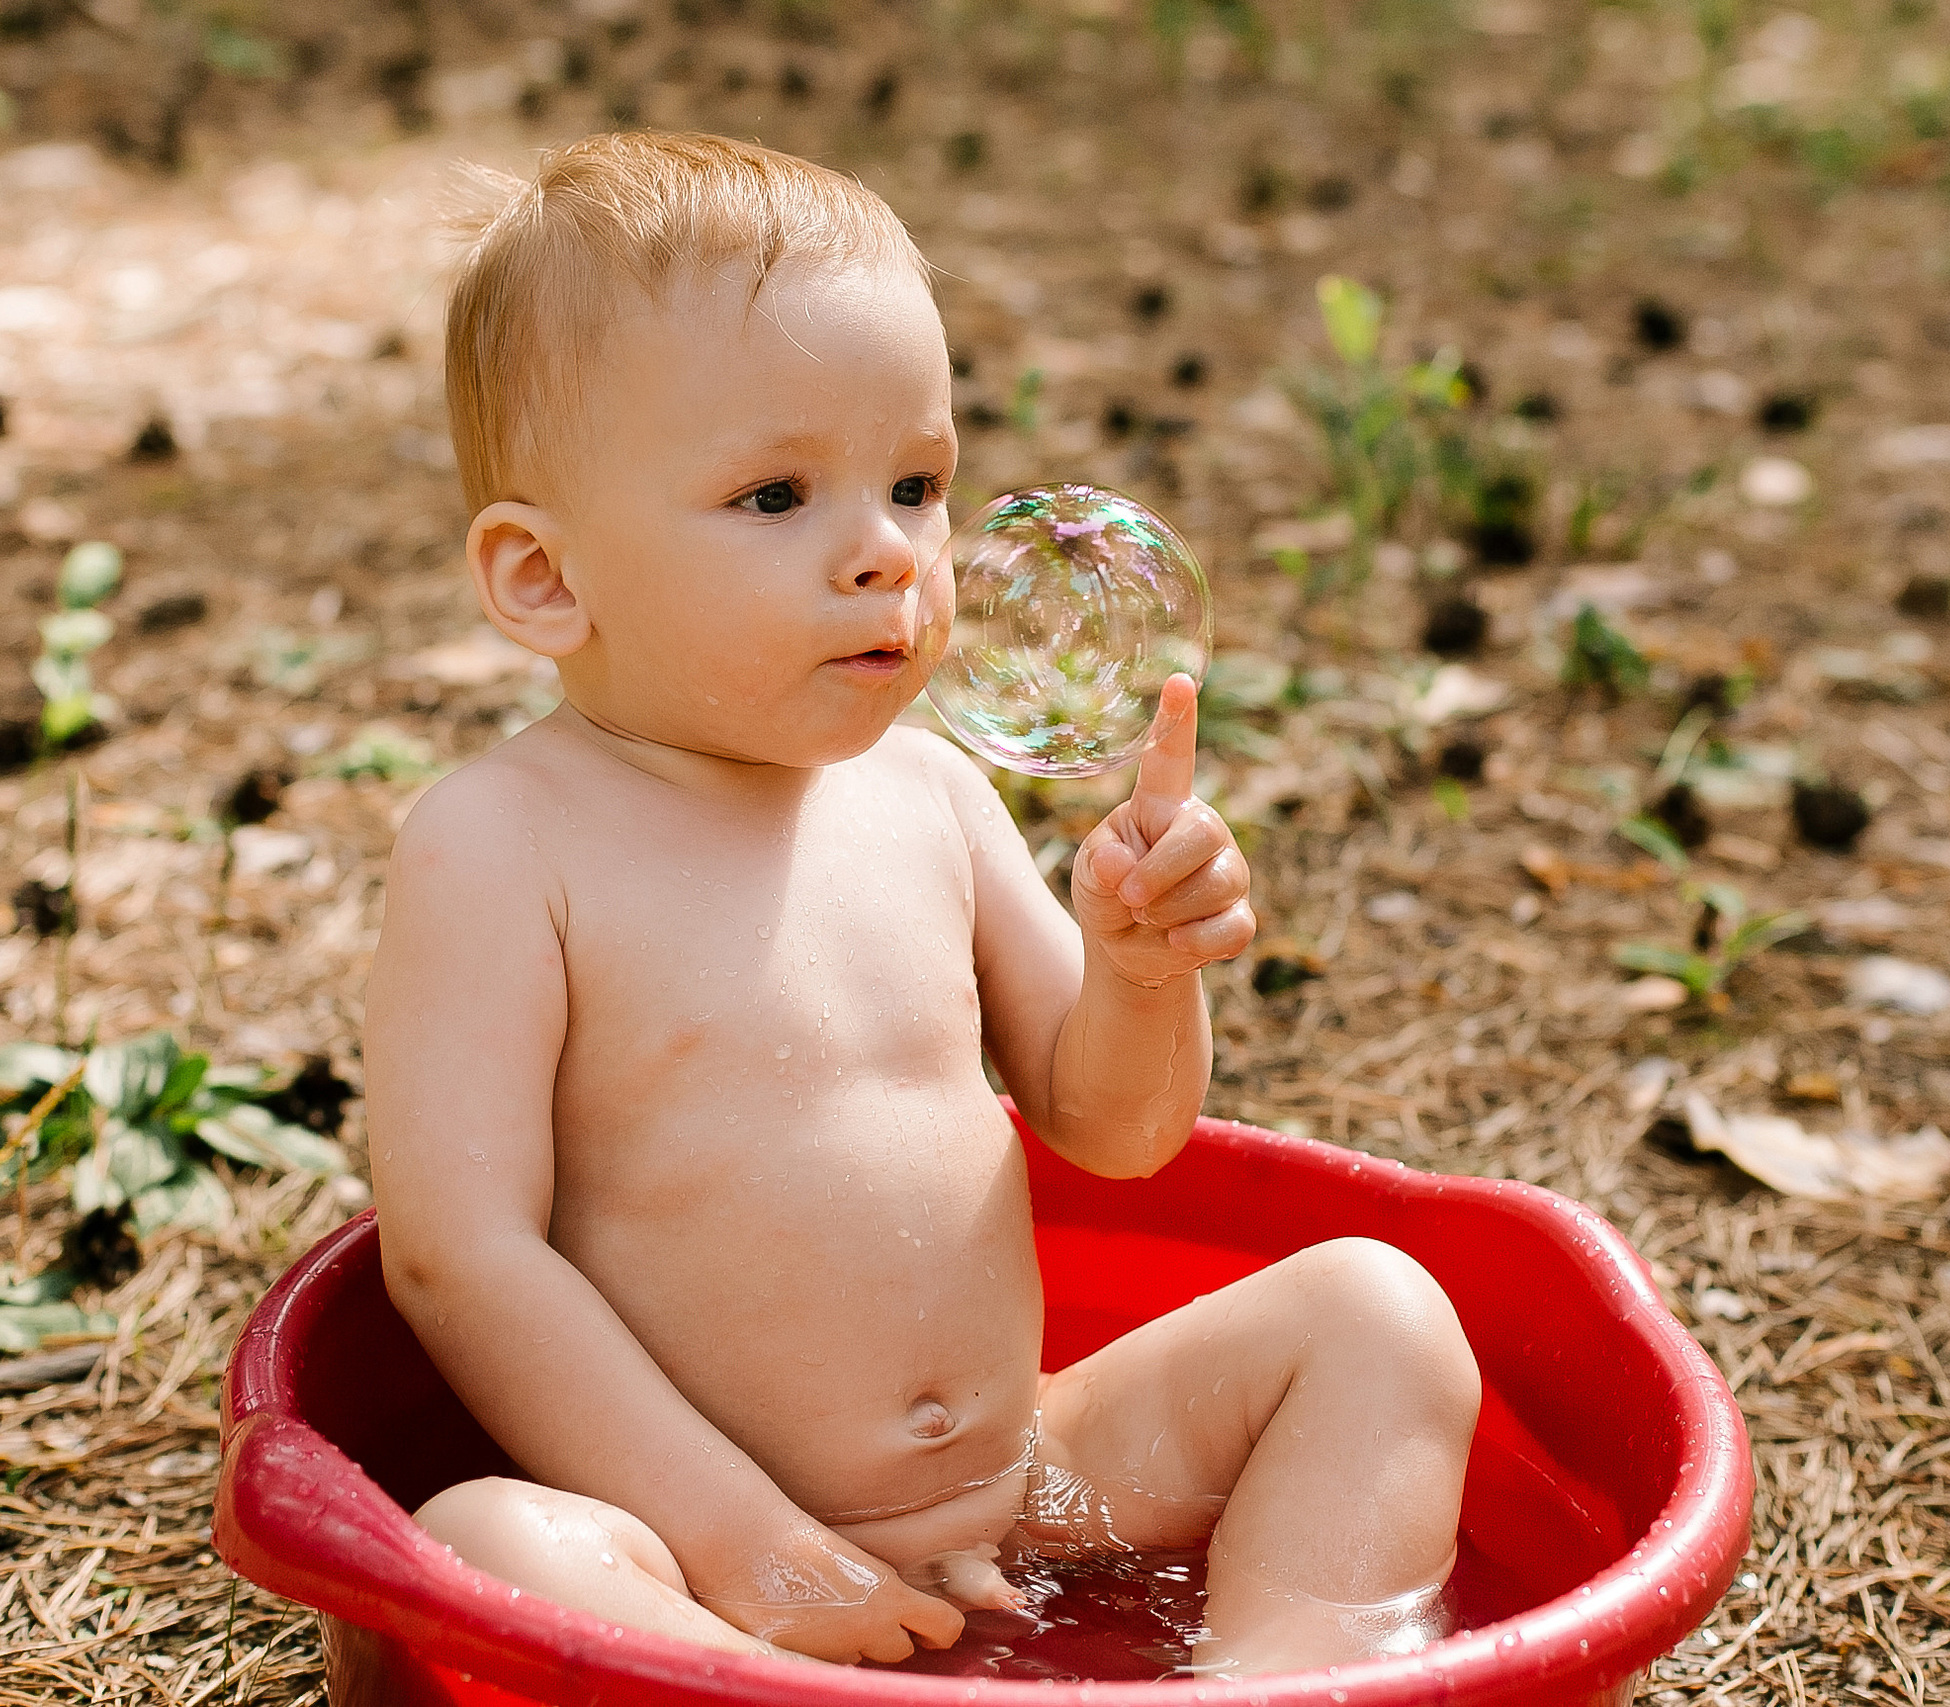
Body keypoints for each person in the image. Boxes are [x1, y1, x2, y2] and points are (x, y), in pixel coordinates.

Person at [363, 131, 1478, 1676]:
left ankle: (1291, 1671)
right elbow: (460, 1258)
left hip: (1034, 1483)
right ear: (547, 580)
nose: (887, 552)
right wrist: (750, 1553)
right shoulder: (503, 847)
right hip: (697, 1546)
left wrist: (1141, 973)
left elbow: (1120, 1132)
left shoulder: (933, 796)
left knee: (1380, 1311)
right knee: (491, 1540)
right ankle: (757, 1690)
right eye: (775, 494)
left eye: (916, 482)